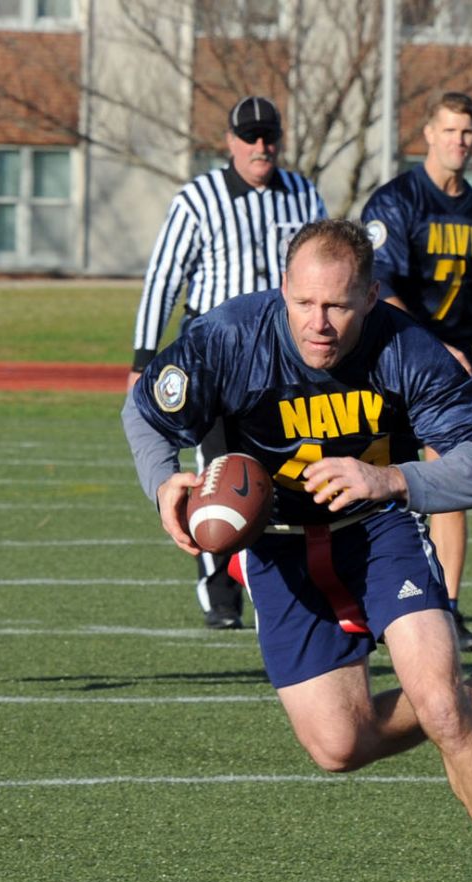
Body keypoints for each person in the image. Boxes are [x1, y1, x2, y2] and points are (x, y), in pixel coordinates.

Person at [121, 218, 472, 882]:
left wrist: (389, 479)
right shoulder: (231, 336)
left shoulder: (407, 346)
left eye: (337, 306)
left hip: (380, 531)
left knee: (437, 704)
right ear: (283, 290)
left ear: (370, 296)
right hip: (280, 548)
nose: (318, 323)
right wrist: (163, 482)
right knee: (337, 747)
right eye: (304, 303)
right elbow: (144, 409)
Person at [131, 95, 327, 631]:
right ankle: (219, 584)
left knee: (288, 460)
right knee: (219, 467)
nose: (261, 146)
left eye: (269, 136)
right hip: (216, 355)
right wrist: (143, 359)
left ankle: (291, 578)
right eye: (250, 136)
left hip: (288, 354)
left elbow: (328, 263)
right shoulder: (198, 198)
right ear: (230, 142)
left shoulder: (303, 193)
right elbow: (164, 280)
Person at [361, 91, 472, 653]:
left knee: (451, 478)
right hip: (389, 356)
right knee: (368, 472)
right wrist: (435, 346)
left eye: (468, 132)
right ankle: (356, 597)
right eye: (449, 130)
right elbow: (380, 291)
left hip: (454, 370)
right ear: (428, 134)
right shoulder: (394, 202)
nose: (459, 141)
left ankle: (446, 607)